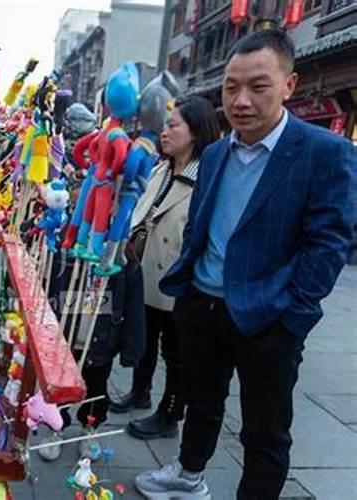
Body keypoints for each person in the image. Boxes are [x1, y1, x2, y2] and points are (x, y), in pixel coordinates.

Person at [135, 29, 356, 499]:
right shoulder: (215, 153)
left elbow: (329, 243)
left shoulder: (324, 152)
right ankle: (188, 474)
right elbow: (201, 223)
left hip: (268, 318)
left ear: (289, 85)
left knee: (265, 431)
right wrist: (190, 288)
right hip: (203, 306)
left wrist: (293, 316)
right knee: (202, 402)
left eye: (258, 86)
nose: (240, 100)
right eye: (231, 87)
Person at [110, 96, 220, 442]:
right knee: (144, 339)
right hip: (145, 272)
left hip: (178, 280)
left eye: (174, 125)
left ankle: (170, 413)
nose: (165, 131)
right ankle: (139, 392)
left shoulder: (207, 178)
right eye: (166, 124)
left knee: (177, 353)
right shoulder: (162, 168)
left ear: (196, 132)